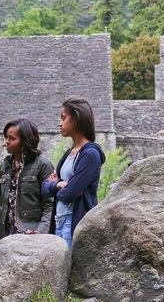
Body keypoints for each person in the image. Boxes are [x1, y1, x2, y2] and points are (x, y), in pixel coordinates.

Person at [41, 98, 105, 248]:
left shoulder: (90, 154)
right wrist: (58, 185)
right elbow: (44, 188)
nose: (60, 123)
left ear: (76, 118)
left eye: (63, 118)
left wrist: (55, 186)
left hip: (74, 222)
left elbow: (69, 193)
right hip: (59, 220)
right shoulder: (69, 153)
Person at [0, 118, 54, 241]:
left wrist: (40, 232)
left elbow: (50, 204)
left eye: (12, 138)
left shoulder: (42, 165)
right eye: (6, 137)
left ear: (26, 140)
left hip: (31, 235)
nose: (6, 142)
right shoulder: (4, 166)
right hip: (5, 236)